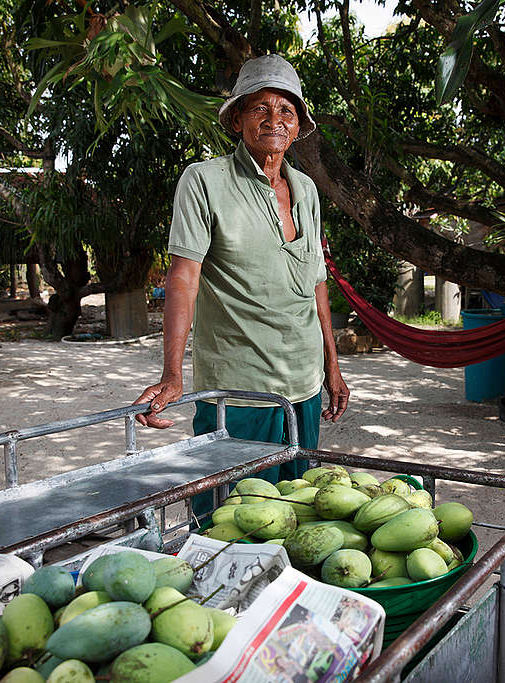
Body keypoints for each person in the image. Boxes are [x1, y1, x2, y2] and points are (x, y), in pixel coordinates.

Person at [134, 54, 350, 518]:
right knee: (227, 522)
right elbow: (183, 278)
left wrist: (333, 366)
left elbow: (316, 283)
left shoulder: (307, 191)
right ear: (237, 119)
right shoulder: (203, 181)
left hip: (305, 386)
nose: (275, 120)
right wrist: (173, 373)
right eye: (260, 109)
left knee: (298, 514)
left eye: (286, 111)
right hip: (239, 391)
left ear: (298, 127)